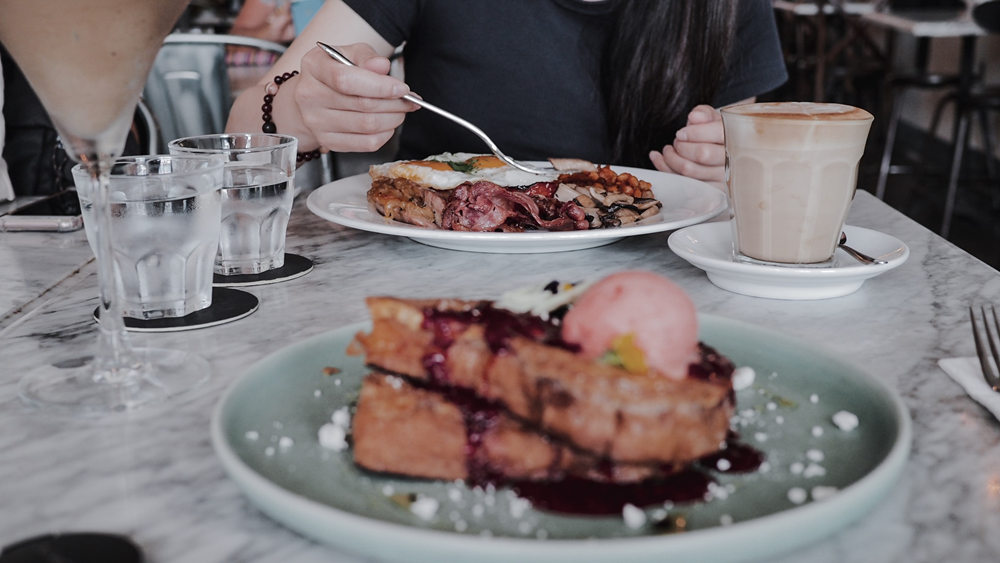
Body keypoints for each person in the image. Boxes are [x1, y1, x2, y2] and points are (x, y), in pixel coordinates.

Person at [227, 0, 787, 182]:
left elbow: (740, 158)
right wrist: (299, 113)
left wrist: (724, 166)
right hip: (430, 279)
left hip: (653, 287)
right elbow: (241, 127)